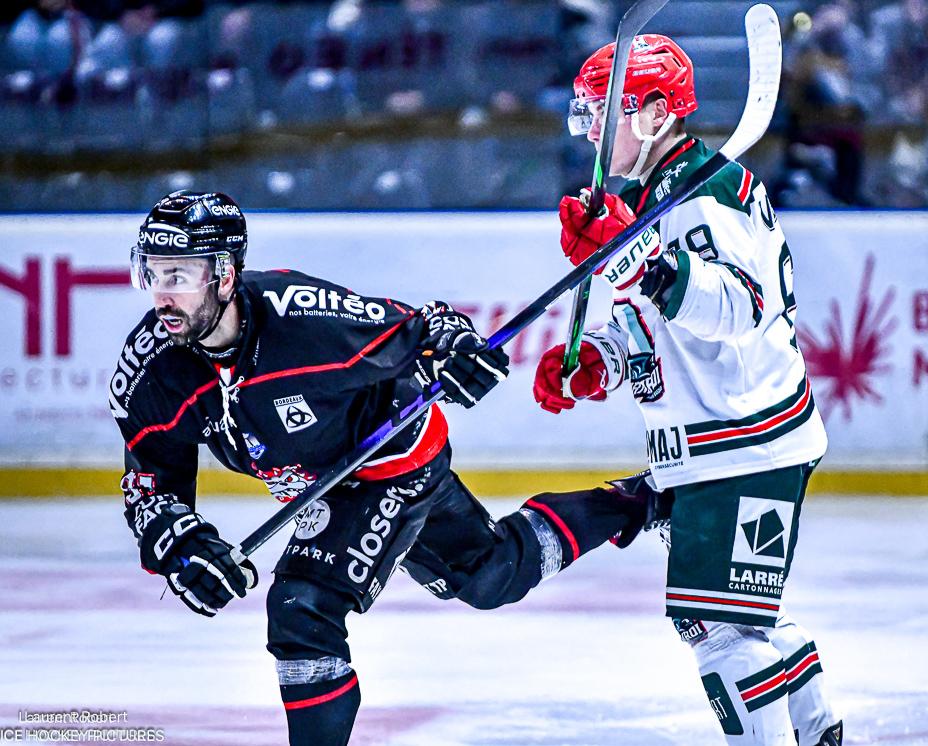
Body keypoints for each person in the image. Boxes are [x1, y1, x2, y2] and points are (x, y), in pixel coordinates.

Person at [109, 190, 653, 746]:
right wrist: (183, 549)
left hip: (391, 460)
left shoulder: (302, 319)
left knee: (302, 608)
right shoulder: (151, 373)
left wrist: (459, 352)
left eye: (179, 275)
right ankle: (637, 501)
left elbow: (425, 328)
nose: (162, 295)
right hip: (321, 483)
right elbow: (150, 487)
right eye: (152, 273)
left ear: (225, 275)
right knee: (490, 575)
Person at [534, 36, 842, 745]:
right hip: (714, 445)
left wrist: (636, 259)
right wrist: (600, 359)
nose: (590, 130)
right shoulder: (649, 198)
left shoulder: (708, 194)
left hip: (746, 441)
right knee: (740, 616)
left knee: (720, 630)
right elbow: (658, 329)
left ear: (654, 113)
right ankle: (819, 730)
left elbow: (738, 310)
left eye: (603, 112)